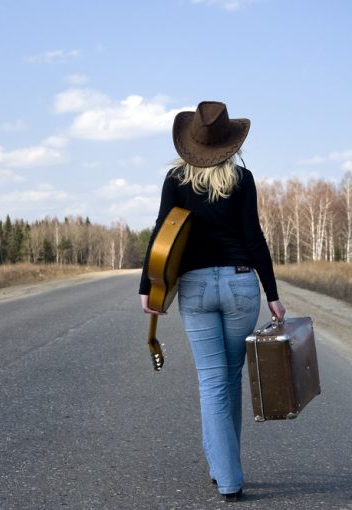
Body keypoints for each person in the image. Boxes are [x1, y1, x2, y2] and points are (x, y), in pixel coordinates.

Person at [138, 101, 285, 502]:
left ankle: (227, 474)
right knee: (229, 378)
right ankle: (225, 466)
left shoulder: (175, 179)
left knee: (212, 381)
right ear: (229, 143)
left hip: (197, 288)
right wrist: (272, 294)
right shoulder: (243, 178)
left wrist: (146, 286)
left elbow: (161, 234)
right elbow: (253, 237)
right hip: (240, 286)